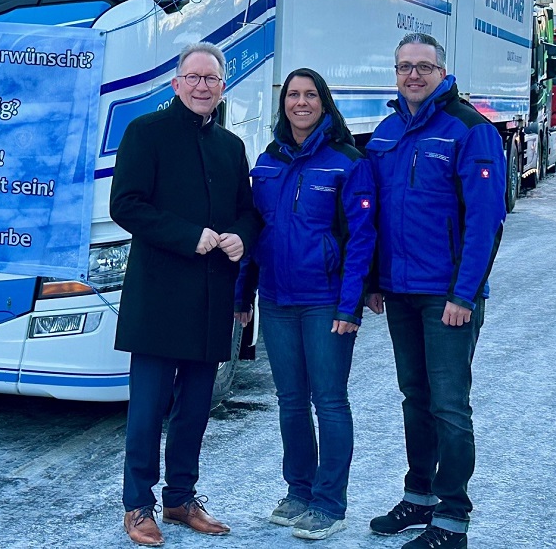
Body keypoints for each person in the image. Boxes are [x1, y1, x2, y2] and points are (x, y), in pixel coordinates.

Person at [110, 43, 261, 547]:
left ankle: (180, 498)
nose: (202, 86)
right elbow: (126, 205)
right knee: (148, 410)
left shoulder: (230, 146)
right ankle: (138, 506)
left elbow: (246, 210)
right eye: (193, 77)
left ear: (222, 87)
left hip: (210, 299)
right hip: (157, 298)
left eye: (211, 79)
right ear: (175, 84)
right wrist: (187, 234)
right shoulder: (145, 133)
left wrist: (241, 233)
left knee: (195, 410)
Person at [364, 33, 506, 549]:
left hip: (448, 296)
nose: (413, 75)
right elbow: (374, 214)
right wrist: (375, 280)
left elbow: (486, 220)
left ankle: (452, 517)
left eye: (424, 67)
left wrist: (463, 295)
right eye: (404, 66)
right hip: (400, 293)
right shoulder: (386, 131)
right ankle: (418, 497)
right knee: (415, 399)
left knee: (449, 404)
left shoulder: (470, 130)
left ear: (442, 73)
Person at [234, 68, 375, 541]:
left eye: (309, 94)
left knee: (329, 401)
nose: (300, 102)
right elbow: (255, 232)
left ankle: (329, 503)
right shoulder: (267, 163)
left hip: (325, 302)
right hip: (275, 299)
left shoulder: (346, 162)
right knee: (290, 401)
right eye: (292, 95)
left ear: (324, 102)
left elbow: (361, 240)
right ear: (284, 104)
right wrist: (243, 294)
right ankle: (298, 491)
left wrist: (349, 306)